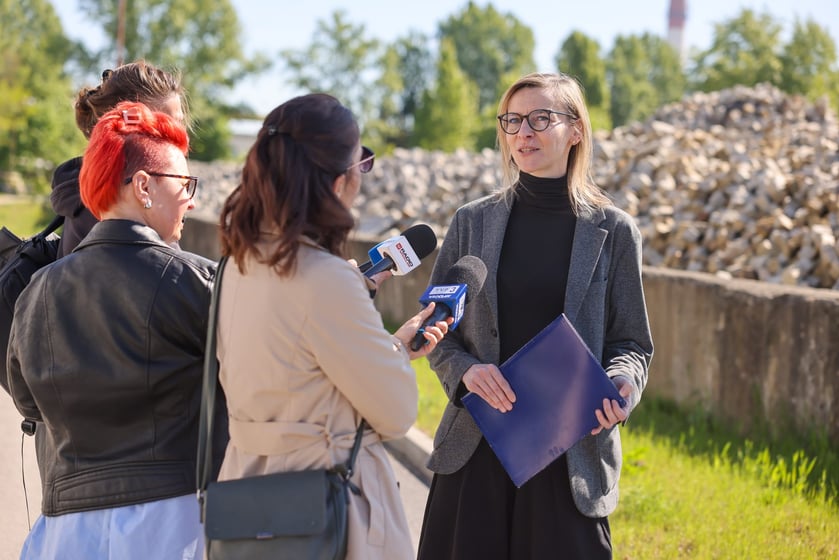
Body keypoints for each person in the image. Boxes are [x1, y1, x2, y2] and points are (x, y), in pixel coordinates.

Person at [416, 72, 654, 560]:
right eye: (512, 120)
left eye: (541, 118)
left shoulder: (615, 232)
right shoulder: (470, 222)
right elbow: (435, 330)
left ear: (576, 130)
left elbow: (631, 343)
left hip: (570, 458)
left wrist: (622, 381)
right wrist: (467, 372)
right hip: (475, 451)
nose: (523, 132)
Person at [214, 92, 450, 560]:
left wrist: (382, 339)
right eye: (363, 163)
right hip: (322, 507)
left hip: (246, 499)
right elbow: (397, 411)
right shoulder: (326, 279)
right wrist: (394, 350)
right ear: (340, 180)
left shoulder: (237, 265)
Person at [6, 101, 226, 559]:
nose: (191, 199)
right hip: (173, 524)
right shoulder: (197, 282)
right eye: (185, 184)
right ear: (143, 186)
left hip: (63, 531)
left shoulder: (36, 291)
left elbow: (28, 403)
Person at [51, 60, 187, 257]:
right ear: (122, 126)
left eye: (179, 124)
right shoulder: (118, 209)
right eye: (162, 125)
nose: (179, 135)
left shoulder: (94, 195)